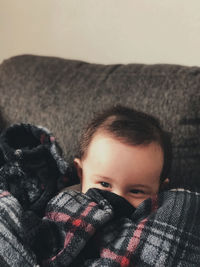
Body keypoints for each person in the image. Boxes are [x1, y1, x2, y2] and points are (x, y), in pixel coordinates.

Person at [74, 105, 172, 207]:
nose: (116, 201)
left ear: (160, 190)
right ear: (81, 172)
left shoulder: (163, 216)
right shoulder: (64, 206)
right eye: (104, 184)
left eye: (136, 191)